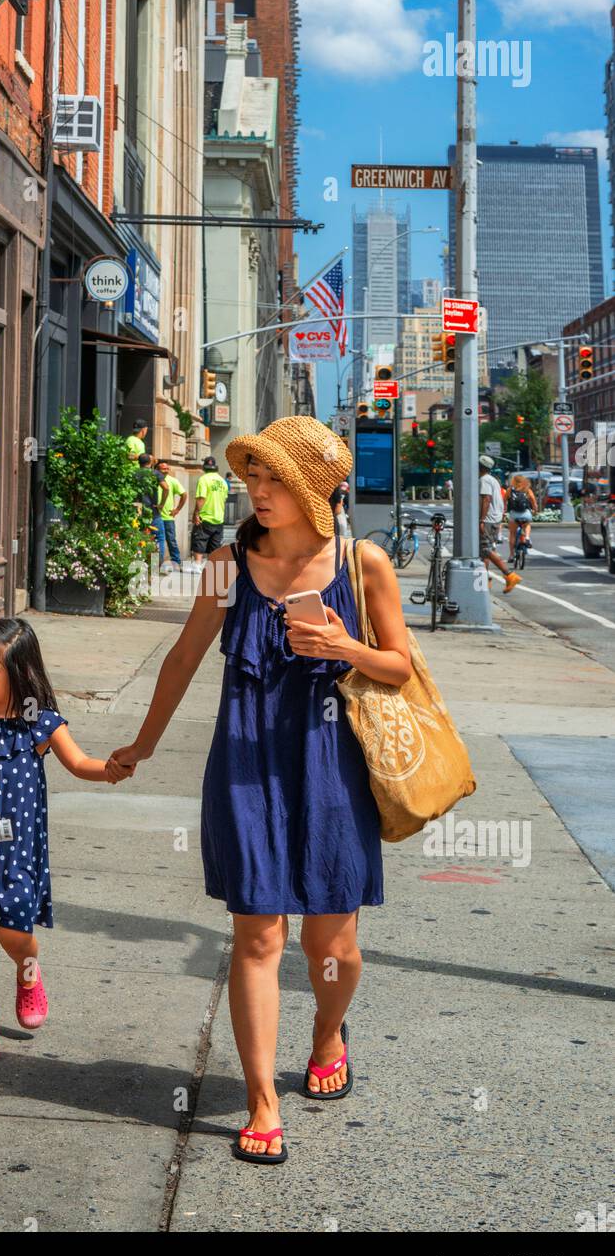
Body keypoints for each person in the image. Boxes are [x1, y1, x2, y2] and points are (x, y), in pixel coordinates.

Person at [109, 415, 412, 1165]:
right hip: (243, 765)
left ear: (314, 490)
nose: (258, 490)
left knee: (330, 944)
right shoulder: (224, 566)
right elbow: (182, 659)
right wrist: (142, 745)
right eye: (255, 476)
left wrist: (344, 645)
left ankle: (323, 1035)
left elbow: (401, 666)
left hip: (332, 765)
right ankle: (261, 1102)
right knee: (257, 935)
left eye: (274, 479)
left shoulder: (361, 561)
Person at [0, 616, 133, 1060]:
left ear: (19, 671)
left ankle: (28, 973)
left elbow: (80, 763)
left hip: (18, 847)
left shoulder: (37, 723)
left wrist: (113, 769)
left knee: (13, 932)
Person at [479, 455, 519, 592]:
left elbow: (486, 499)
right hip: (495, 519)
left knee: (486, 549)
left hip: (488, 519)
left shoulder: (484, 480)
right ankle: (485, 581)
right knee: (483, 553)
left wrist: (481, 520)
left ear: (480, 467)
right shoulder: (493, 480)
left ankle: (509, 574)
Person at [191, 454, 229, 565]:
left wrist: (196, 514)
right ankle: (212, 566)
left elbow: (201, 498)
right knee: (215, 544)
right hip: (219, 518)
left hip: (205, 517)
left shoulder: (203, 479)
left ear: (204, 467)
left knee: (199, 540)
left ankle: (197, 565)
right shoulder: (223, 482)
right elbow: (224, 498)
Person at [132, 452, 167, 563]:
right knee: (159, 537)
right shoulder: (156, 473)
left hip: (137, 509)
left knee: (139, 537)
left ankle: (141, 562)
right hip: (153, 510)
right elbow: (166, 488)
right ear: (150, 462)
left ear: (139, 462)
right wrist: (162, 504)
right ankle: (157, 564)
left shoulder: (133, 473)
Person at [154, 457, 187, 572]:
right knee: (155, 541)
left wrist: (177, 509)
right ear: (157, 469)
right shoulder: (153, 478)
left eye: (167, 468)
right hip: (154, 516)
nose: (166, 470)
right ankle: (156, 564)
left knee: (171, 540)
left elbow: (184, 494)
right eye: (163, 469)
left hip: (167, 517)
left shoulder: (173, 481)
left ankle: (176, 563)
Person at [506, 473, 537, 558]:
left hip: (514, 514)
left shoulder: (510, 490)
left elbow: (504, 502)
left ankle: (511, 555)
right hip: (526, 513)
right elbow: (534, 502)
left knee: (512, 533)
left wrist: (504, 511)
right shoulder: (527, 490)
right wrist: (535, 511)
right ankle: (527, 537)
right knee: (527, 524)